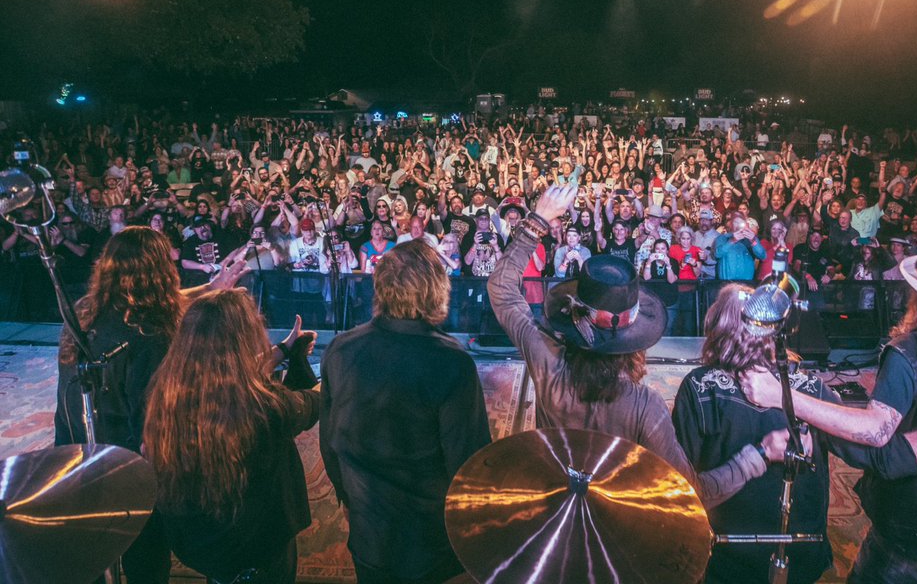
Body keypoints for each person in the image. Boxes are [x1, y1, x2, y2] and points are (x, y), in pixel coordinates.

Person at [676, 284, 917, 584]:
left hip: (722, 554)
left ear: (715, 328)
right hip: (799, 555)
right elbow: (881, 457)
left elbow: (681, 491)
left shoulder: (700, 388)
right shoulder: (810, 388)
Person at [488, 183, 787, 509]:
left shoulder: (546, 360)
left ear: (573, 314)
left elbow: (501, 288)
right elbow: (692, 492)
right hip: (616, 516)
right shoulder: (646, 405)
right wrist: (758, 455)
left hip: (555, 501)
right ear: (634, 335)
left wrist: (538, 220)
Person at [54, 227, 247, 584]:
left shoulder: (84, 315)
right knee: (146, 559)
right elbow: (150, 419)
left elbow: (165, 300)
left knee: (95, 557)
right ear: (156, 271)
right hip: (130, 468)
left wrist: (208, 288)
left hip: (79, 454)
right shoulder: (151, 334)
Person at [320, 242, 491, 584]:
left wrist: (350, 502)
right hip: (432, 547)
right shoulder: (451, 362)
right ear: (436, 291)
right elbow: (468, 463)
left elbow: (329, 443)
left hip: (369, 537)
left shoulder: (340, 348)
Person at [144, 290, 319, 584]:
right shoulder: (263, 407)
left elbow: (238, 373)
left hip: (202, 541)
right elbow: (313, 402)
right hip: (258, 549)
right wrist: (344, 365)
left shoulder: (166, 392)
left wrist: (285, 350)